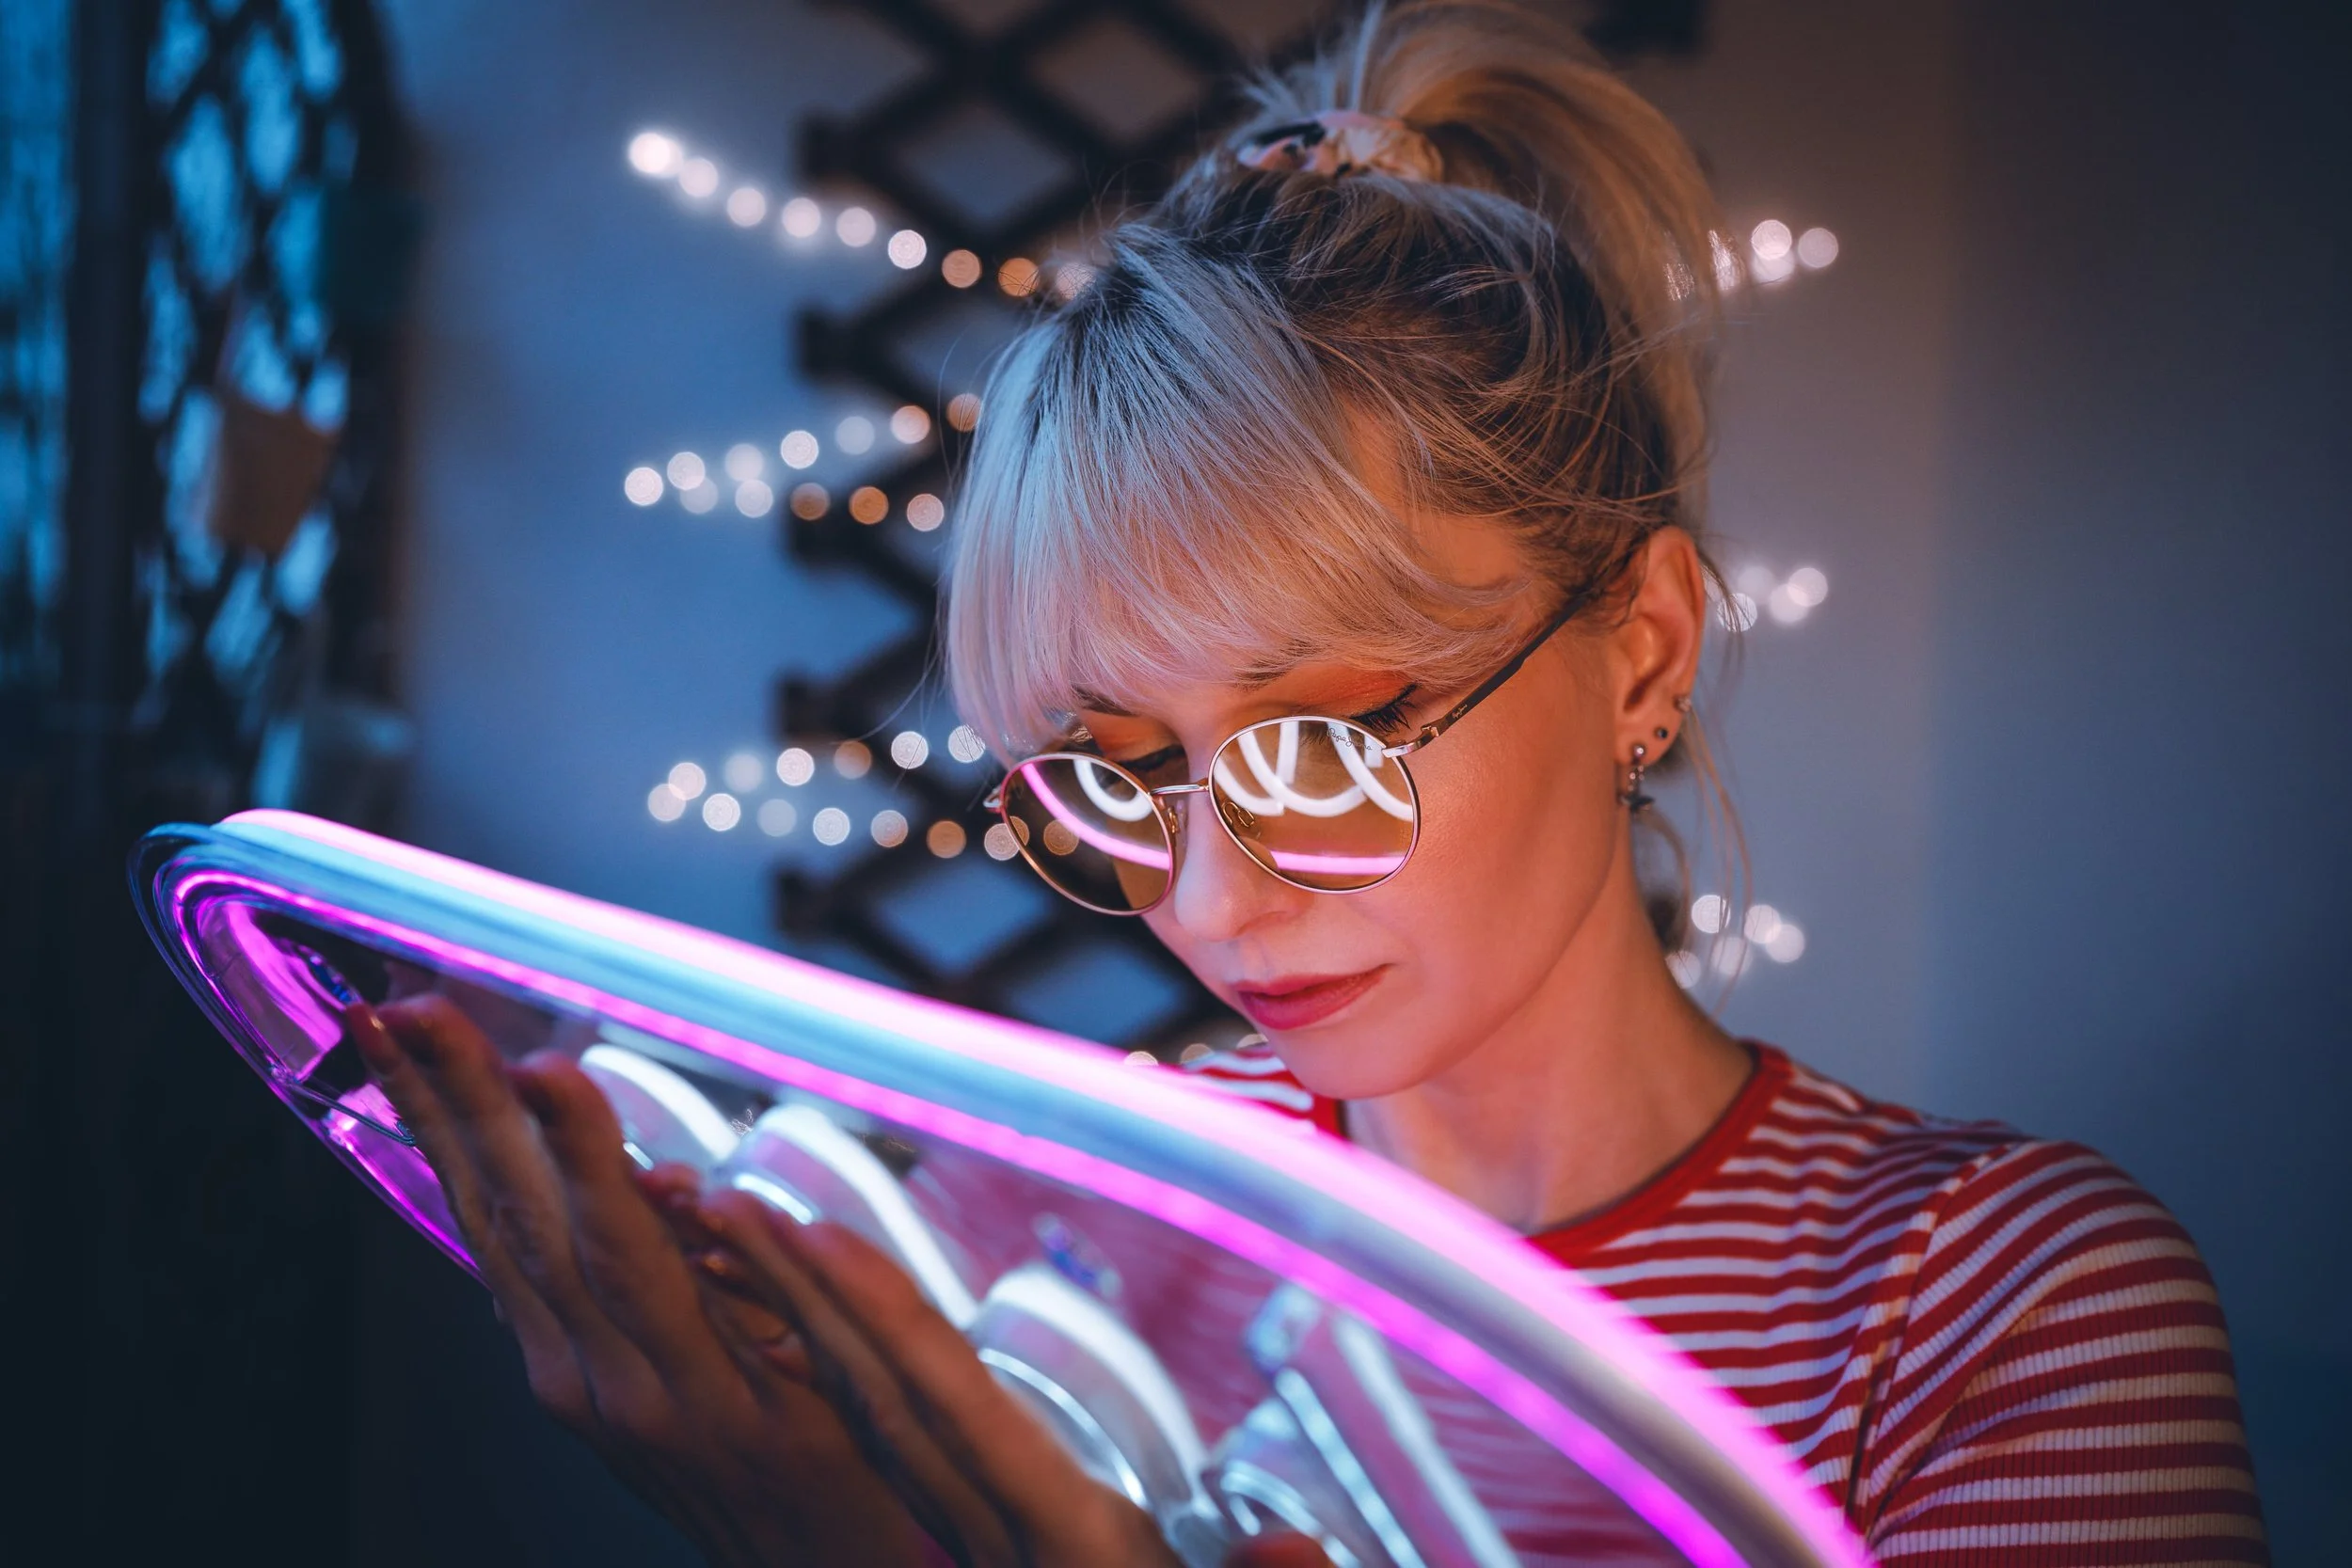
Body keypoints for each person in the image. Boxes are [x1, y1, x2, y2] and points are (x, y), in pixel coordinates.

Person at [351, 2, 2266, 1562]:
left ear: (1642, 653)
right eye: (1116, 778)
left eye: (1329, 746)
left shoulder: (1984, 1308)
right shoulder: (1044, 1234)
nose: (1208, 903)